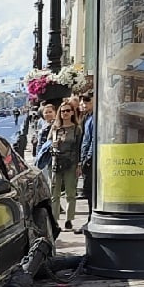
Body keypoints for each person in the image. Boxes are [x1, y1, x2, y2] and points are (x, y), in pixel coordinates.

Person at [48, 97, 82, 230]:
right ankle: (55, 221)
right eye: (62, 111)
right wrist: (53, 145)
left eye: (68, 111)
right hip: (56, 162)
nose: (65, 113)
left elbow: (79, 147)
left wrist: (79, 165)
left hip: (71, 163)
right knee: (54, 194)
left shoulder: (76, 129)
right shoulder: (55, 128)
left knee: (70, 193)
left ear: (72, 113)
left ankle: (69, 219)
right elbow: (47, 145)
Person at [79, 90, 96, 224]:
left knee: (91, 192)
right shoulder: (87, 117)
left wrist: (88, 159)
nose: (83, 104)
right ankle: (90, 218)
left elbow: (93, 140)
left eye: (87, 101)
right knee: (88, 192)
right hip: (86, 158)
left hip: (91, 161)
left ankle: (91, 219)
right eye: (82, 101)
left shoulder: (94, 118)